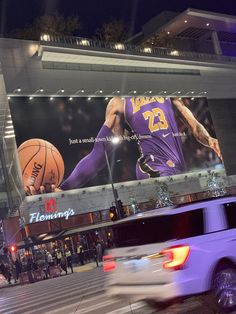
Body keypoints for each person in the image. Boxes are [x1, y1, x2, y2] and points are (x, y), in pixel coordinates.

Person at [26, 96, 222, 193]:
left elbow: (194, 124)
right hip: (151, 165)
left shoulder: (167, 92)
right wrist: (65, 188)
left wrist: (211, 141)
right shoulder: (119, 102)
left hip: (177, 164)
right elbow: (100, 153)